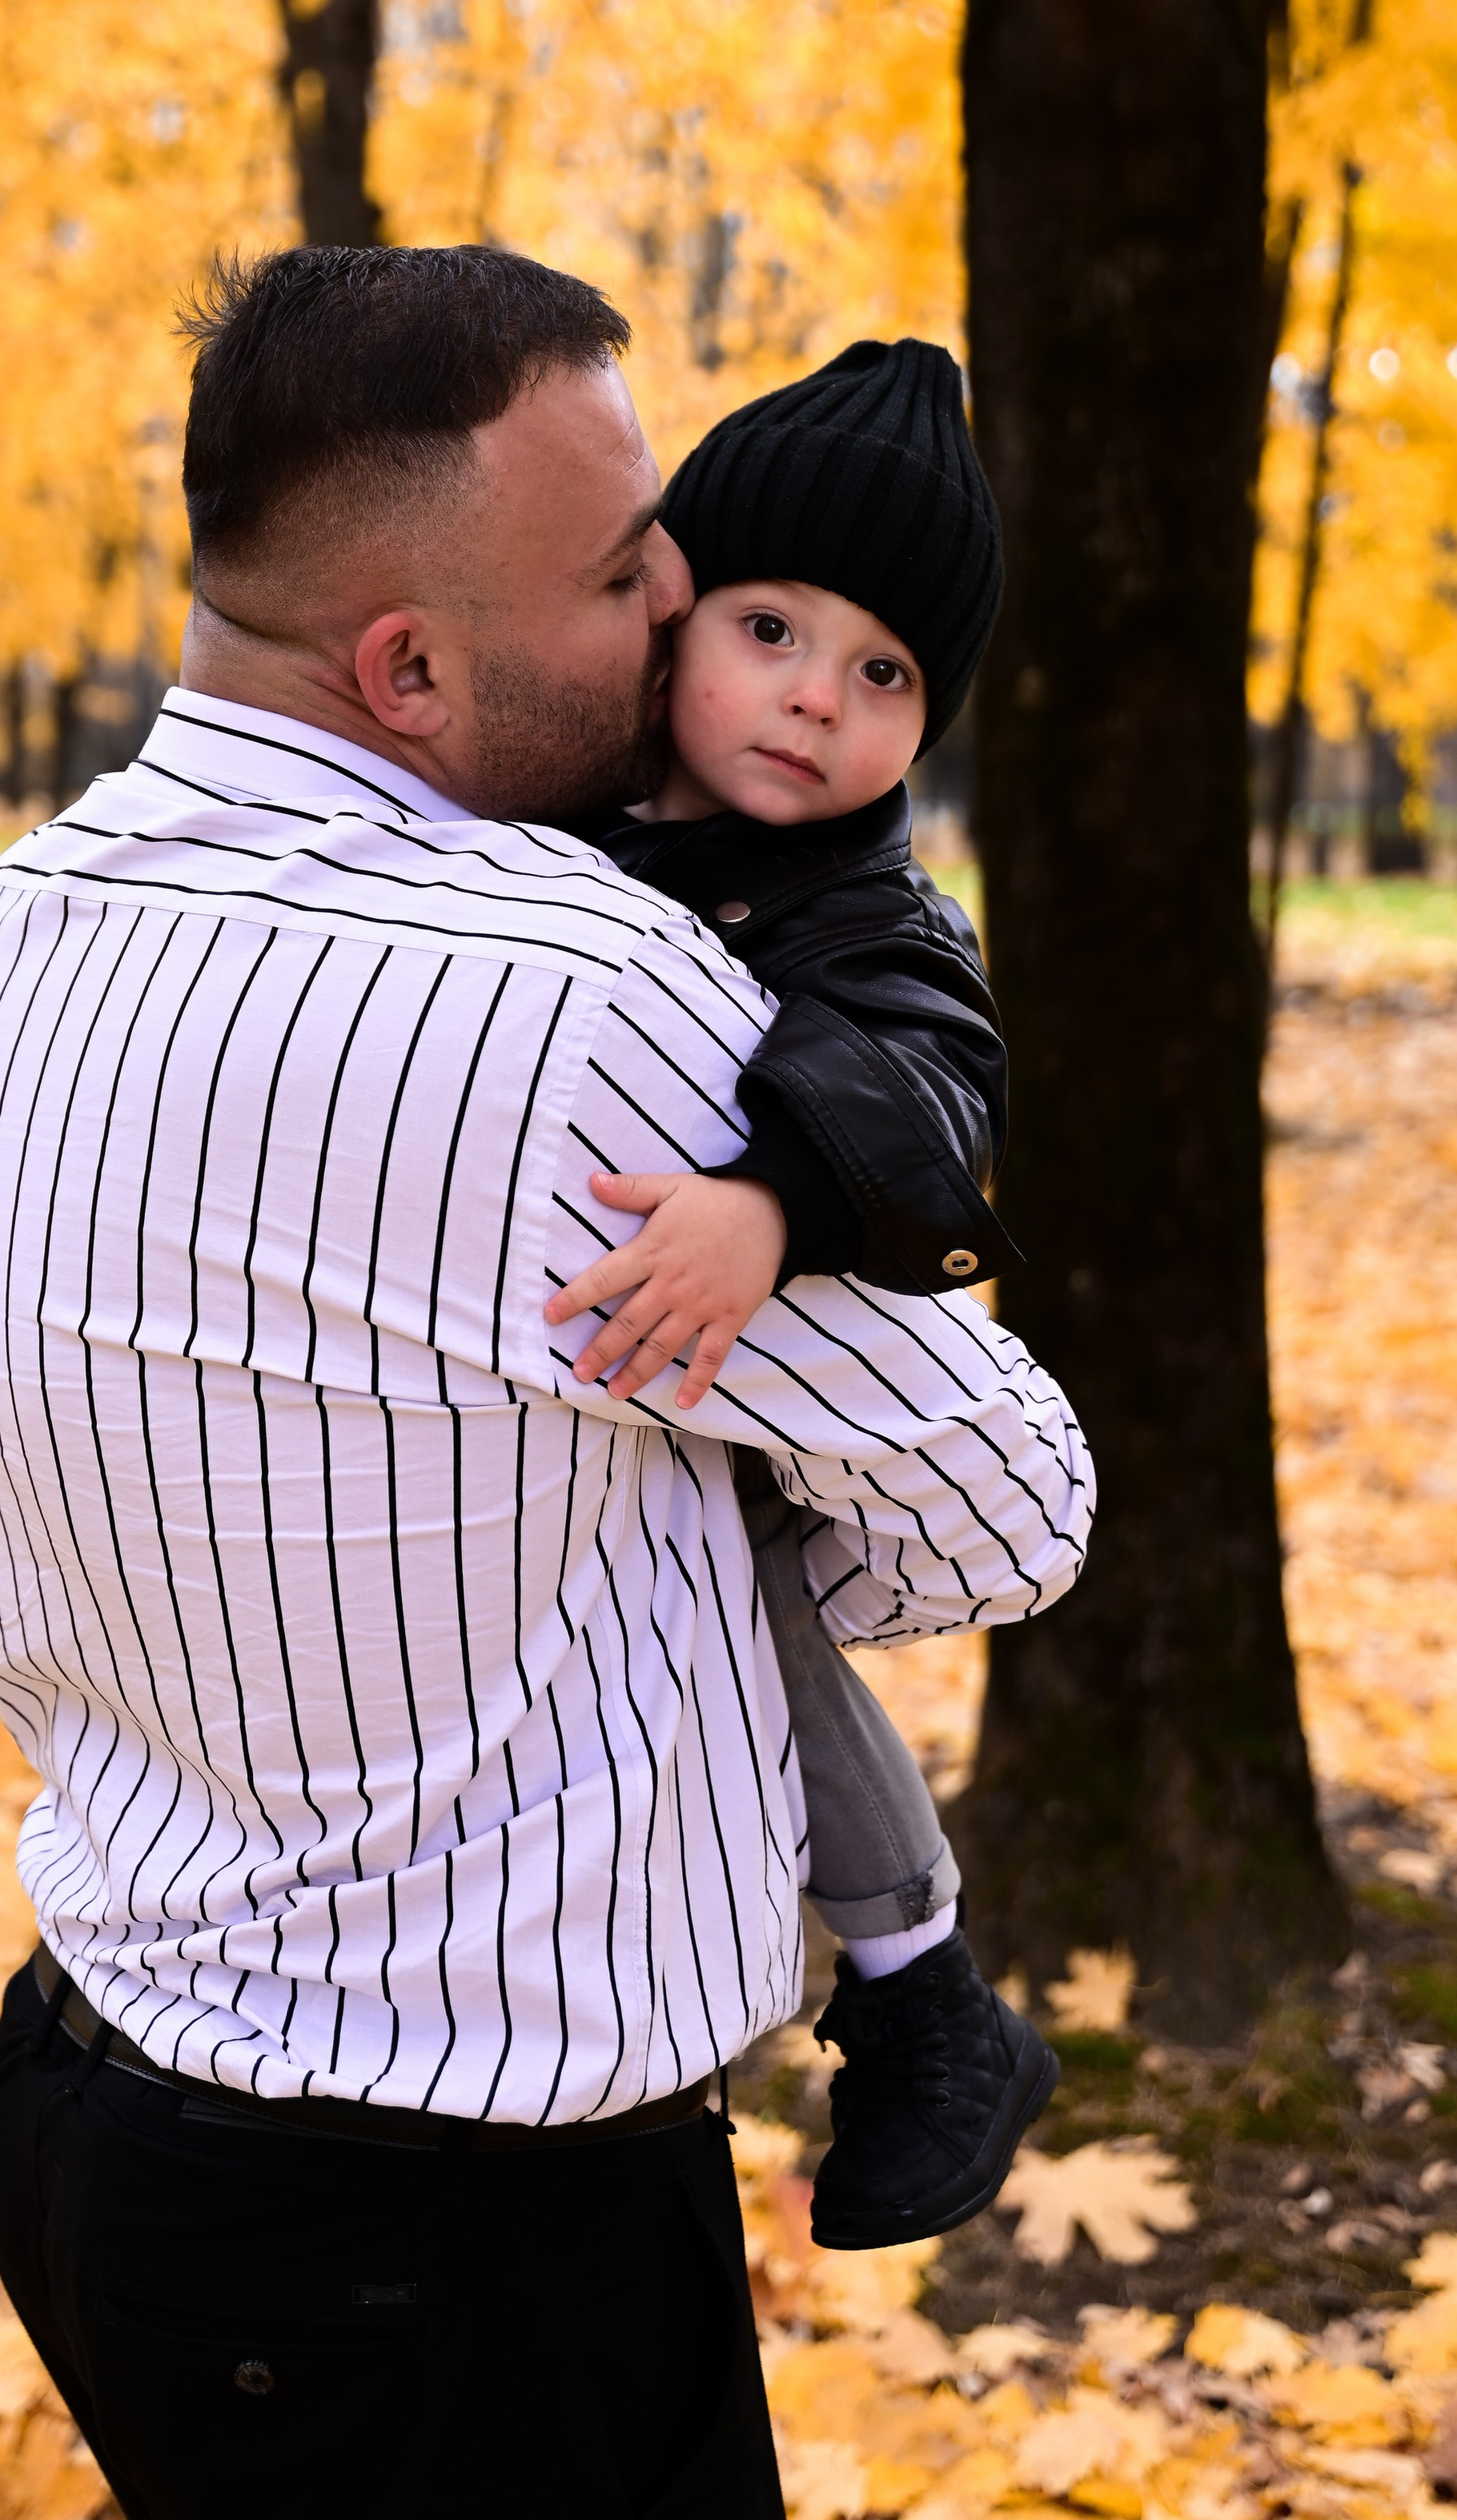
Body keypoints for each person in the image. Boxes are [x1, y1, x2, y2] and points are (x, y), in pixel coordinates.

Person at [0, 244, 1094, 2520]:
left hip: (92, 2122)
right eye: (627, 572)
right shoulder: (580, 995)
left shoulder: (6, 929)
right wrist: (726, 1508)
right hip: (448, 2255)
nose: (681, 602)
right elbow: (1011, 1510)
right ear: (412, 667)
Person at [556, 335, 1057, 2253]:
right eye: (768, 628)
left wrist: (772, 1195)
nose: (812, 698)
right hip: (555, 1389)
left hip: (741, 1399)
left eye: (882, 673)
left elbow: (934, 1090)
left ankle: (923, 1997)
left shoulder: (873, 913)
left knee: (753, 1621)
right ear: (670, 609)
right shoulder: (548, 810)